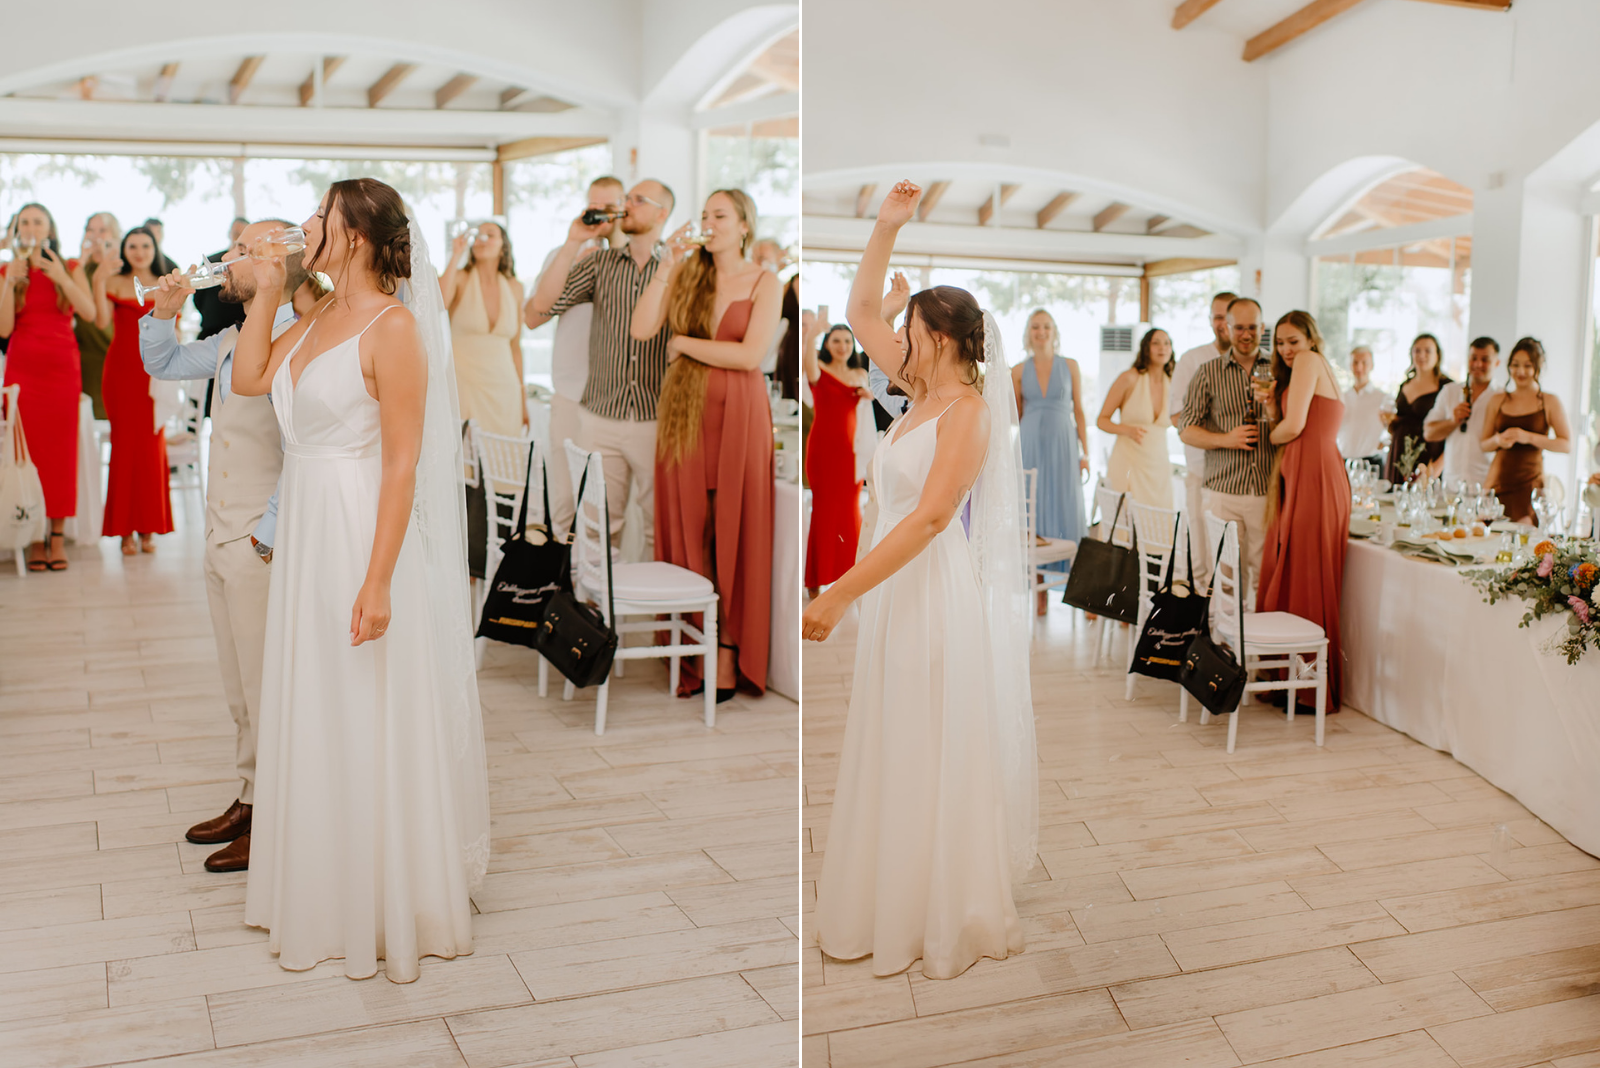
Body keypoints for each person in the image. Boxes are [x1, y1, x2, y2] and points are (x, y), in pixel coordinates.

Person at [230, 179, 489, 983]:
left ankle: (381, 895)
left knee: (362, 700)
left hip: (355, 530)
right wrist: (266, 293)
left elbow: (405, 463)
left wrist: (378, 581)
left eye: (319, 216)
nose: (302, 224)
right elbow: (248, 380)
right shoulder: (312, 314)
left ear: (356, 236)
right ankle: (315, 882)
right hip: (307, 522)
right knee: (313, 696)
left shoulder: (395, 325)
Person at [803, 180, 1034, 981]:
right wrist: (885, 226)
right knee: (896, 736)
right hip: (898, 589)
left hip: (930, 593)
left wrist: (840, 591)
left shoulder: (965, 411)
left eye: (909, 327)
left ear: (937, 337)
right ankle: (889, 895)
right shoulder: (917, 390)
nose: (892, 333)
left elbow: (931, 520)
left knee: (925, 740)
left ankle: (937, 908)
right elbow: (862, 305)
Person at [142, 219, 311, 874]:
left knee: (267, 683)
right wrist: (164, 312)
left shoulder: (300, 339)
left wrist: (268, 529)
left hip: (261, 539)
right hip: (219, 529)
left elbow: (307, 442)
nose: (226, 260)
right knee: (240, 684)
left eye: (241, 251)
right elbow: (163, 362)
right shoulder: (239, 336)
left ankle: (276, 814)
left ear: (280, 264)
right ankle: (250, 793)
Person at [632, 189, 780, 700]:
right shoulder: (687, 273)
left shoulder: (766, 281)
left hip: (740, 415)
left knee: (732, 530)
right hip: (684, 415)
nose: (709, 223)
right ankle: (693, 649)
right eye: (704, 216)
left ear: (744, 226)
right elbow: (642, 327)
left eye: (720, 215)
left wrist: (683, 345)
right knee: (689, 526)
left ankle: (729, 651)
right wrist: (665, 266)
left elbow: (749, 356)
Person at [526, 178, 674, 555]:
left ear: (663, 212)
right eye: (626, 199)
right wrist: (574, 240)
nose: (626, 205)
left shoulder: (680, 269)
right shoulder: (598, 263)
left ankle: (652, 613)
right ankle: (596, 611)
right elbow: (538, 309)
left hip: (656, 416)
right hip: (600, 416)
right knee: (595, 527)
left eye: (637, 200)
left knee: (660, 527)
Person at [1256, 311, 1349, 710]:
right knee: (1292, 572)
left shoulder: (1310, 362)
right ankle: (1286, 680)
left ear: (1311, 339)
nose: (1286, 349)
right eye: (1279, 343)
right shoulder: (1298, 370)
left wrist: (1265, 436)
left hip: (1316, 476)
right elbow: (1289, 422)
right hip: (1302, 476)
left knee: (1307, 574)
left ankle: (1306, 687)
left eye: (1293, 340)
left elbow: (1293, 428)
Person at [0, 203, 96, 572]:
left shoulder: (69, 266)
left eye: (37, 221)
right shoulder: (9, 271)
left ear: (49, 229)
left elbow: (88, 312)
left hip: (61, 369)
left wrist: (61, 277)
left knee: (60, 454)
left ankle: (57, 536)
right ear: (14, 231)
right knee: (28, 453)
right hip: (23, 371)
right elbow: (5, 329)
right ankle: (34, 535)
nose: (30, 227)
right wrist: (10, 280)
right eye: (24, 222)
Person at [526, 177, 625, 536]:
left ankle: (601, 586)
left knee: (607, 507)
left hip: (618, 401)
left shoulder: (641, 260)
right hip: (569, 392)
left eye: (609, 207)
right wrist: (573, 261)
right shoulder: (562, 255)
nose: (599, 215)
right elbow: (531, 317)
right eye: (592, 207)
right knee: (563, 499)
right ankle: (562, 585)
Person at [1179, 297, 1275, 598]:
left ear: (1262, 328)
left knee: (1264, 576)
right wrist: (1225, 439)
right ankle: (1222, 644)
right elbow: (1186, 429)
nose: (1246, 335)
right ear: (1226, 327)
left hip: (1266, 491)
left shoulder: (1280, 369)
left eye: (1252, 328)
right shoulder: (1207, 372)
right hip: (1222, 491)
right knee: (1224, 578)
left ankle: (1258, 645)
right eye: (1239, 328)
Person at [93, 226, 177, 555]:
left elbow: (176, 328)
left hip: (154, 372)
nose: (139, 251)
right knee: (124, 448)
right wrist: (99, 279)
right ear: (124, 250)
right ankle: (124, 530)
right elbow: (101, 321)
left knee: (151, 448)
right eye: (133, 245)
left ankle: (148, 529)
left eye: (145, 245)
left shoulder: (168, 281)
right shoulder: (113, 281)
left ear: (155, 247)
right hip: (121, 374)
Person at [1012, 307, 1087, 613]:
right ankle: (1038, 590)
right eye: (1035, 327)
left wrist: (1085, 453)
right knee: (1035, 509)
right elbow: (1015, 414)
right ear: (1028, 333)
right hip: (1030, 443)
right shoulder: (1017, 370)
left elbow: (1079, 410)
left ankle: (1080, 589)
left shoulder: (1070, 365)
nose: (1040, 332)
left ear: (1054, 331)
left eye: (1045, 326)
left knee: (1068, 506)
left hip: (1064, 444)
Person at [1171, 291, 1235, 575]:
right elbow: (1176, 416)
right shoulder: (1192, 359)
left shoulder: (1256, 363)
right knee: (1201, 551)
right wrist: (1219, 434)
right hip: (1201, 469)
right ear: (1211, 320)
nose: (1223, 324)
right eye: (1218, 317)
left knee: (1234, 553)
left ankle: (1236, 616)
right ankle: (1202, 615)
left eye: (1228, 317)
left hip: (1242, 477)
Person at [804, 324, 871, 596]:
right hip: (822, 450)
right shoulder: (819, 369)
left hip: (850, 452)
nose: (842, 345)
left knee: (849, 510)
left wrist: (868, 395)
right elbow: (808, 364)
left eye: (847, 340)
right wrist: (810, 335)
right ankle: (816, 578)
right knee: (823, 512)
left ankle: (850, 576)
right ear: (827, 344)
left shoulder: (860, 374)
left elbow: (867, 409)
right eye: (836, 340)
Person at [443, 221, 527, 436]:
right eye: (478, 235)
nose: (482, 239)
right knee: (466, 461)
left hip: (505, 389)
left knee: (504, 462)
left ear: (503, 246)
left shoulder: (515, 288)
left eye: (490, 235)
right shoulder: (461, 278)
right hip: (465, 385)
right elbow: (439, 302)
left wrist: (523, 400)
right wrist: (456, 255)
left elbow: (515, 348)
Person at [1481, 337, 1571, 524]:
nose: (1520, 371)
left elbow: (1566, 445)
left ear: (1538, 368)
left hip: (1530, 484)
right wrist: (1498, 440)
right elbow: (1484, 444)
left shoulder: (1549, 401)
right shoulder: (1497, 400)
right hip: (1498, 481)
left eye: (1528, 366)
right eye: (1515, 365)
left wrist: (1528, 437)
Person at [1099, 326, 1174, 509]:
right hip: (1129, 462)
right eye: (1156, 343)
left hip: (1159, 465)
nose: (1162, 348)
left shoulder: (1173, 382)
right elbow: (1102, 420)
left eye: (1167, 343)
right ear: (1145, 348)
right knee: (1125, 520)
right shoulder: (1129, 378)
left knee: (1158, 522)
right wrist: (1127, 430)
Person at [1425, 336, 1500, 489]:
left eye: (1485, 359)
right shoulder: (1450, 392)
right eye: (1473, 358)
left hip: (1485, 485)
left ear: (1496, 363)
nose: (1478, 364)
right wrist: (1452, 421)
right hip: (1451, 485)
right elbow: (1429, 433)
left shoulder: (1501, 397)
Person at [71, 211, 121, 419]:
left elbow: (101, 316)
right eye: (91, 230)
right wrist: (82, 260)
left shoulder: (117, 267)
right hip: (80, 351)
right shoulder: (80, 266)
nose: (96, 235)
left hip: (107, 348)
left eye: (102, 230)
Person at [1383, 333, 1451, 484]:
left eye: (1427, 351)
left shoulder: (1447, 387)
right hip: (1400, 454)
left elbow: (1454, 429)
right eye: (1417, 351)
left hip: (1429, 456)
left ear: (1438, 355)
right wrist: (1390, 422)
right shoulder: (1404, 384)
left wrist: (1438, 465)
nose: (1422, 355)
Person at [194, 218, 251, 341]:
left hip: (240, 329)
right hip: (210, 328)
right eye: (235, 233)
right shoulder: (212, 261)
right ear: (229, 233)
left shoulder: (249, 265)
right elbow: (198, 295)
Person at [1336, 345, 1385, 467]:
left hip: (1371, 462)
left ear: (1372, 365)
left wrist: (1385, 442)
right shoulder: (1341, 398)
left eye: (1364, 362)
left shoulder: (1382, 398)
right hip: (1342, 461)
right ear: (1350, 365)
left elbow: (1392, 428)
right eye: (1355, 362)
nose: (1359, 367)